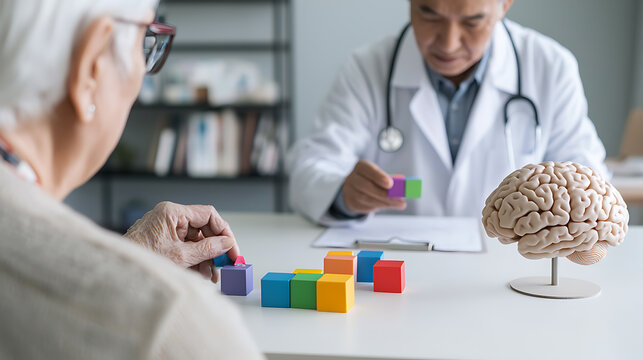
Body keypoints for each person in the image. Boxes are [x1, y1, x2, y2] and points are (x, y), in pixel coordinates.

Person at [0, 0, 263, 358]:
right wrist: (137, 284)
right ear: (91, 66)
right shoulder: (169, 325)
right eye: (146, 41)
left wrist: (130, 256)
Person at [287, 0, 607, 226]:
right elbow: (310, 169)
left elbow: (590, 182)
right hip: (398, 266)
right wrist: (343, 194)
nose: (448, 43)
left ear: (504, 5)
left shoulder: (550, 68)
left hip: (506, 269)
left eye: (472, 21)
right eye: (429, 13)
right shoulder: (368, 68)